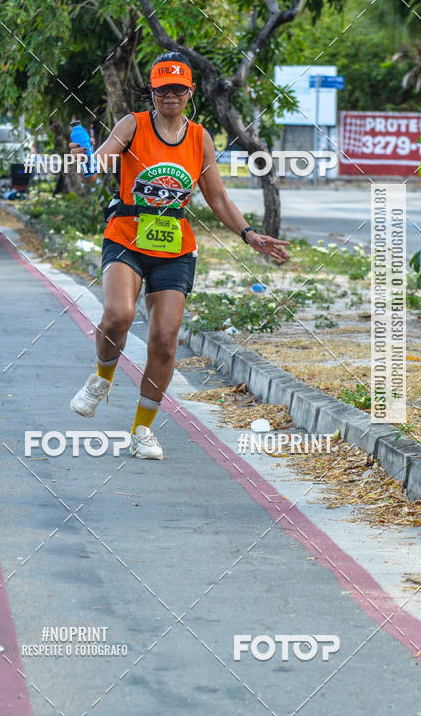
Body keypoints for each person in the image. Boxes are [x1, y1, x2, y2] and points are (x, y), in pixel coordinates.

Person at [69, 51, 290, 460]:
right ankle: (101, 378)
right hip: (127, 236)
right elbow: (106, 154)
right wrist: (91, 162)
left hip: (174, 245)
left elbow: (217, 196)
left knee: (165, 340)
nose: (169, 94)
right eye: (162, 88)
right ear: (151, 91)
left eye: (178, 88)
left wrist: (249, 235)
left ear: (190, 93)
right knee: (118, 315)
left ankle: (142, 429)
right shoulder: (133, 125)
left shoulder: (199, 137)